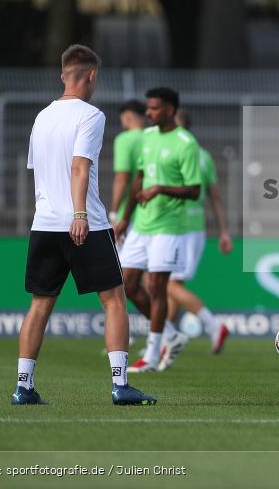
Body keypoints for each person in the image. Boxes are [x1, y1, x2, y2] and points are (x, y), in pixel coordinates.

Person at [15, 44, 154, 406]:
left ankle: (23, 386)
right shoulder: (91, 115)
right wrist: (78, 214)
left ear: (64, 75)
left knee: (40, 305)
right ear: (91, 76)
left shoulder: (41, 117)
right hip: (84, 223)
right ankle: (120, 385)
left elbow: (40, 173)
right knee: (114, 301)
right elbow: (79, 167)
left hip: (44, 222)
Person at [115, 87, 201, 373]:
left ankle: (152, 355)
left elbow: (194, 191)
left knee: (156, 286)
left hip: (169, 226)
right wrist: (125, 218)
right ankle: (171, 334)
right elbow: (138, 179)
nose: (148, 113)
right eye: (147, 108)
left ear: (170, 109)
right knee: (127, 284)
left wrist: (161, 189)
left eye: (153, 108)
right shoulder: (148, 138)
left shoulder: (185, 143)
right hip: (141, 224)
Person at [163, 109, 231, 359]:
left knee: (164, 282)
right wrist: (224, 231)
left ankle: (214, 325)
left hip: (180, 228)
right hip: (193, 228)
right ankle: (162, 341)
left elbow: (212, 195)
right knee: (172, 285)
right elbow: (215, 196)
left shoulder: (180, 152)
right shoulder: (203, 156)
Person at [110, 100, 146, 230]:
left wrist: (114, 212)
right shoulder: (154, 138)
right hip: (152, 215)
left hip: (129, 215)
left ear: (127, 117)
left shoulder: (124, 139)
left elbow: (122, 179)